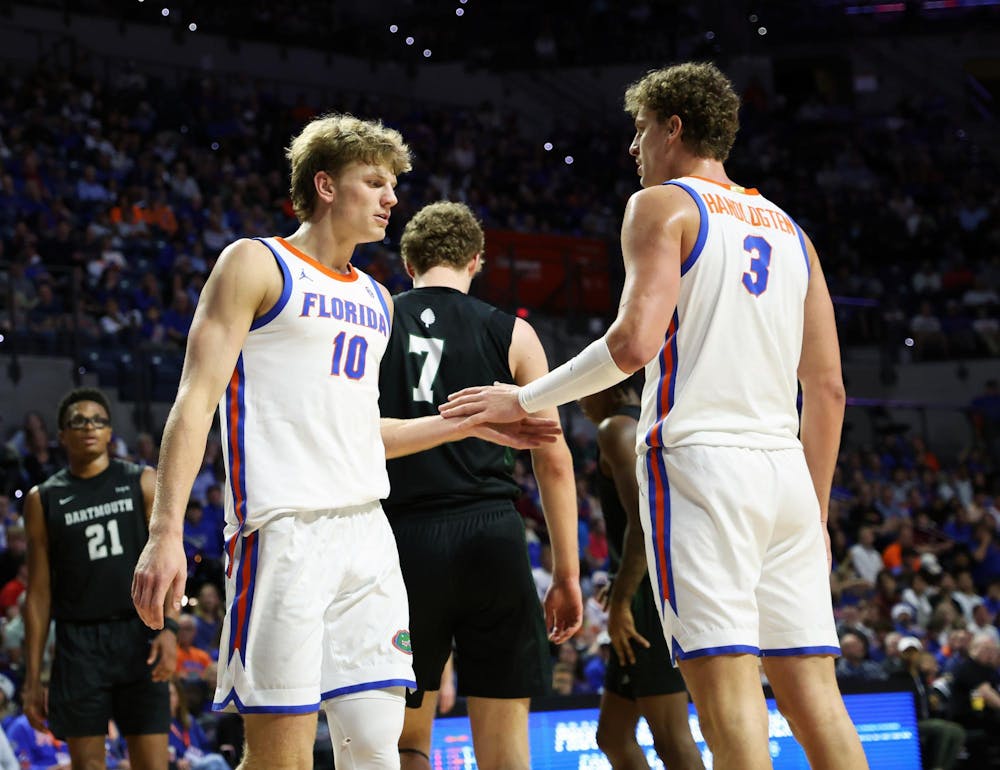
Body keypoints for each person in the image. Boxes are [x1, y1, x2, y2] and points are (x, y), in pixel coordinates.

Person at [440, 62, 869, 769]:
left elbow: (632, 345)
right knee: (817, 699)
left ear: (673, 128)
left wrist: (525, 397)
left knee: (728, 696)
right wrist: (815, 514)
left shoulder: (663, 206)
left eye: (639, 131)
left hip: (703, 465)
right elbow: (827, 390)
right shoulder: (794, 232)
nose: (633, 148)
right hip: (787, 479)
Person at [130, 114, 559, 770]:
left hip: (369, 538)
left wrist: (470, 422)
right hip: (283, 532)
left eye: (394, 185)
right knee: (281, 759)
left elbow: (366, 434)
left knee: (379, 754)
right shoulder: (256, 263)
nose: (392, 198)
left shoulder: (377, 298)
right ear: (326, 186)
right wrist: (165, 532)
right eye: (376, 182)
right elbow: (194, 402)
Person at [376, 201, 583, 770]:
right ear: (477, 260)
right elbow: (554, 459)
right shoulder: (512, 332)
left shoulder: (374, 323)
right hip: (491, 538)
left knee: (404, 742)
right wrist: (567, 574)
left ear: (409, 260)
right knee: (505, 751)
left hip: (400, 542)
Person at [23, 387, 175, 770]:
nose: (89, 426)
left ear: (110, 432)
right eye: (78, 421)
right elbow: (38, 594)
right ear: (61, 436)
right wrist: (31, 677)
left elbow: (167, 562)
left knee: (153, 765)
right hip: (78, 645)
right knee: (88, 766)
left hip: (140, 636)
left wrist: (169, 627)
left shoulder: (141, 481)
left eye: (98, 420)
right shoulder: (44, 499)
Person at [579, 378, 703, 770]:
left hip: (649, 597)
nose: (581, 400)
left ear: (611, 386)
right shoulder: (654, 421)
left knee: (671, 738)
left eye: (586, 386)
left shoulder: (616, 428)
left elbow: (643, 524)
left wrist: (622, 599)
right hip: (647, 585)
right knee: (613, 736)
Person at [887, 636, 965, 770]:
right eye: (908, 652)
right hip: (909, 721)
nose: (912, 656)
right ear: (901, 654)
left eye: (915, 652)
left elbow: (928, 700)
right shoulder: (898, 676)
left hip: (925, 719)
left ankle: (946, 766)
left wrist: (931, 702)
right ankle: (937, 766)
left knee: (958, 732)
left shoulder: (921, 677)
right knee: (943, 729)